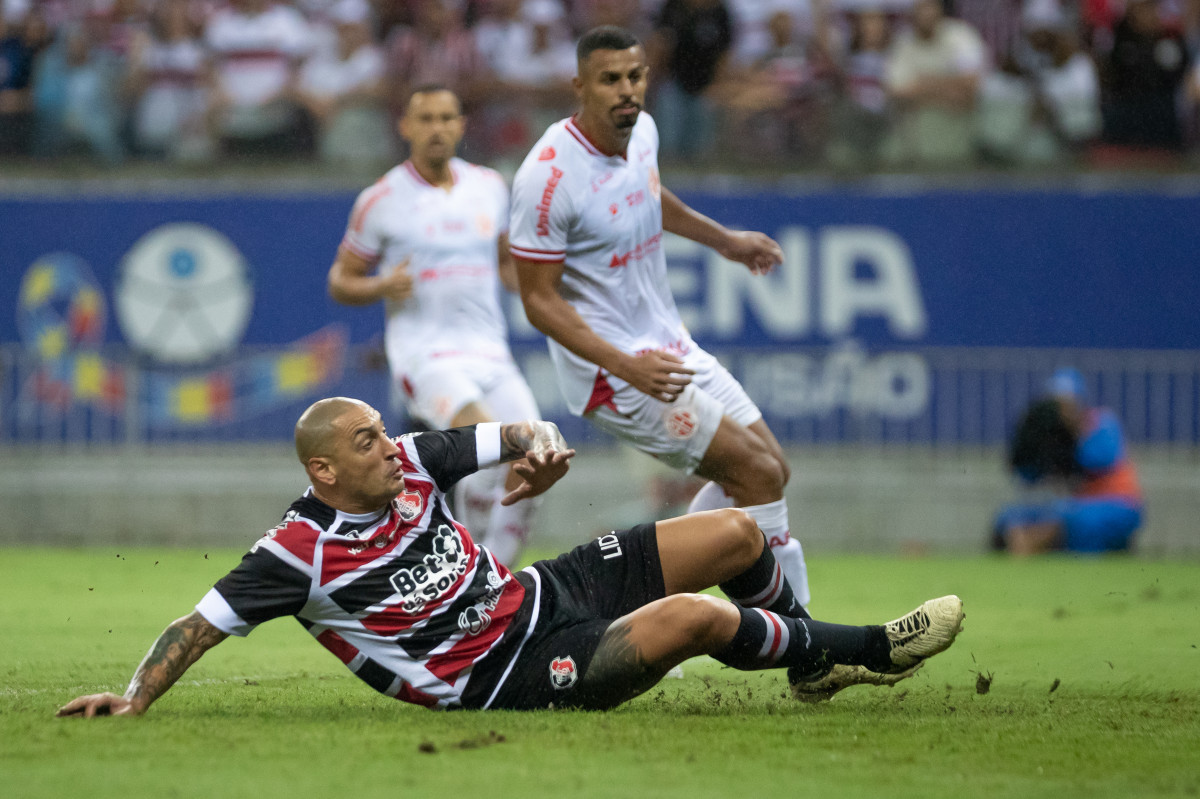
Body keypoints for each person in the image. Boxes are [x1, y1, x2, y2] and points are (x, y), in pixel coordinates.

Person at [56, 396, 964, 717]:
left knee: (738, 531)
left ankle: (806, 660)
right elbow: (196, 625)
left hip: (541, 593)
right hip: (506, 674)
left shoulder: (409, 461)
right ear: (324, 468)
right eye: (367, 440)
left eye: (382, 430)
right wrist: (134, 697)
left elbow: (514, 429)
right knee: (701, 615)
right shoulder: (294, 553)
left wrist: (544, 446)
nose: (391, 443)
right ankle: (867, 649)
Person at [509, 25, 811, 605]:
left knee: (772, 468)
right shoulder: (546, 177)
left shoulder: (642, 130)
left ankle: (644, 588)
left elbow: (648, 192)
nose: (627, 90)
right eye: (610, 80)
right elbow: (538, 301)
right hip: (614, 375)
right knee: (760, 477)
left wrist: (723, 240)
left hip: (669, 346)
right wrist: (627, 366)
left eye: (635, 76)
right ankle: (802, 644)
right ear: (580, 86)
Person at [328, 86, 542, 568]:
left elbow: (508, 266)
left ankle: (496, 578)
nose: (437, 128)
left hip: (489, 352)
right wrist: (383, 284)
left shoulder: (489, 185)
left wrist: (546, 283)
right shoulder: (380, 199)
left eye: (446, 117)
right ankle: (472, 575)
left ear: (462, 124)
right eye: (425, 118)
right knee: (486, 445)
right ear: (405, 127)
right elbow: (341, 281)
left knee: (537, 454)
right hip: (425, 355)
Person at [992, 368, 1144, 555]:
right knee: (1011, 516)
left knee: (1071, 518)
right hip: (1076, 504)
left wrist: (1071, 442)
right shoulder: (1051, 434)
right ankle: (1027, 545)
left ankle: (1032, 545)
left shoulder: (1101, 421)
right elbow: (1028, 476)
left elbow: (1100, 459)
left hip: (1116, 503)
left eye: (1067, 403)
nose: (1063, 411)